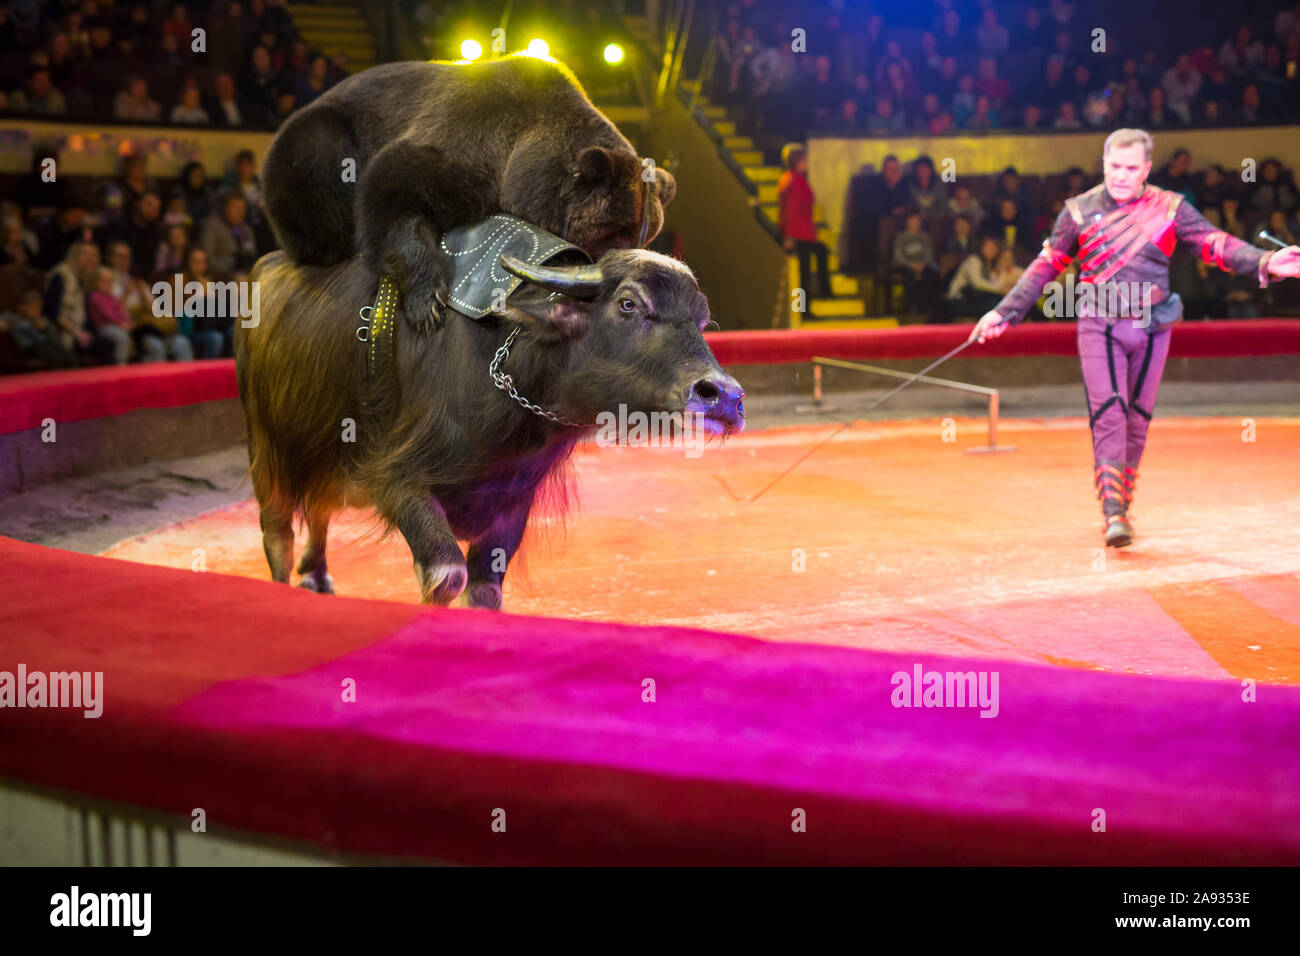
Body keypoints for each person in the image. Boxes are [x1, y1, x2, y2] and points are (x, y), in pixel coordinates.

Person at [970, 129, 1300, 548]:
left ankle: (1123, 500)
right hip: (1098, 323)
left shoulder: (1170, 207)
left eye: (1131, 168)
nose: (1121, 176)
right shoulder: (1078, 211)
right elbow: (1046, 265)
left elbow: (1212, 244)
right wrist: (1004, 312)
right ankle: (1113, 513)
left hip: (1153, 324)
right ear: (1103, 163)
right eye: (1114, 167)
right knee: (1109, 411)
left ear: (1146, 169)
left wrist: (1268, 260)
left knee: (1137, 420)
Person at [777, 144, 831, 301]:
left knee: (819, 254)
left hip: (803, 232)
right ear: (797, 161)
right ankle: (803, 308)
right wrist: (789, 237)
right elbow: (791, 210)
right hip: (798, 234)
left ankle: (824, 293)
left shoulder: (792, 178)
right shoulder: (794, 180)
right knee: (803, 273)